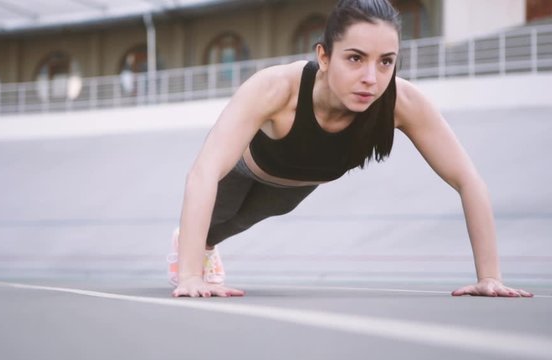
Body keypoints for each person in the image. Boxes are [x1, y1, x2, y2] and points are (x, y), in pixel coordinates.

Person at [167, 0, 534, 298]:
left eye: (386, 61)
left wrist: (490, 277)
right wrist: (188, 277)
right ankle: (191, 249)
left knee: (235, 225)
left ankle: (206, 245)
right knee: (220, 213)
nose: (371, 78)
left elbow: (468, 179)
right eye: (355, 58)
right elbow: (204, 171)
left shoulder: (402, 102)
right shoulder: (276, 87)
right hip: (243, 170)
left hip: (295, 187)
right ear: (324, 57)